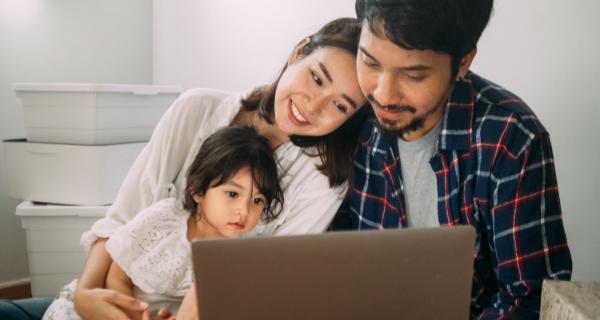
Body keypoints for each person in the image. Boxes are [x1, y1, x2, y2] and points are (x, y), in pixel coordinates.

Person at [66, 17, 369, 320]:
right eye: (317, 79)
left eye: (340, 106)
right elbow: (123, 220)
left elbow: (268, 282)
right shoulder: (194, 110)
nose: (313, 106)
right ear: (299, 53)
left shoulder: (322, 179)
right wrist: (86, 293)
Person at [330, 0, 572, 319]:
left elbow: (529, 299)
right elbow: (332, 261)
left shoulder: (511, 139)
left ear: (462, 63)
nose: (383, 94)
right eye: (370, 62)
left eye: (413, 75)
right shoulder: (350, 110)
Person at [40, 125, 283, 320]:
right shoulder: (165, 220)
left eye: (257, 200)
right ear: (198, 190)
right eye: (232, 194)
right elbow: (117, 277)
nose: (244, 210)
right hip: (115, 310)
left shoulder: (244, 254)